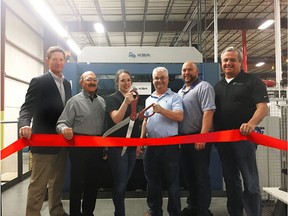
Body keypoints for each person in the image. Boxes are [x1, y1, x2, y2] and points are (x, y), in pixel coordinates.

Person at [214, 47, 269, 216]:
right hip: (223, 141)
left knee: (251, 182)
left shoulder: (252, 81)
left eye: (232, 60)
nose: (228, 63)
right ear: (221, 64)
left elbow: (262, 107)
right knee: (231, 182)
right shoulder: (218, 86)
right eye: (225, 60)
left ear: (240, 62)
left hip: (244, 140)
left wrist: (251, 124)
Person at [18, 46, 71, 216]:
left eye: (61, 59)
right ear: (47, 60)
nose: (58, 62)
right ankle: (32, 213)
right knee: (38, 184)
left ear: (64, 62)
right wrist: (24, 124)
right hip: (43, 142)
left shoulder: (67, 84)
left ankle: (56, 210)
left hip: (62, 141)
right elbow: (27, 108)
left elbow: (68, 111)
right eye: (54, 59)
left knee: (57, 182)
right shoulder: (39, 81)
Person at [56, 71, 106, 216]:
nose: (92, 82)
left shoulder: (102, 102)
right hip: (79, 149)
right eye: (88, 79)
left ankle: (88, 212)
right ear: (81, 82)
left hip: (97, 148)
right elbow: (61, 122)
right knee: (77, 183)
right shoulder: (74, 101)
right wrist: (64, 129)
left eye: (94, 80)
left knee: (93, 183)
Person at [141, 67, 184, 216]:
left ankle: (174, 213)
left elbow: (179, 116)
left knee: (172, 183)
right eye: (156, 78)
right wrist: (141, 140)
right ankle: (154, 211)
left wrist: (162, 110)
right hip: (151, 145)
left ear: (168, 79)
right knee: (152, 182)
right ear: (152, 80)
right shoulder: (149, 99)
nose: (159, 81)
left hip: (169, 146)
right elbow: (145, 121)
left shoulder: (175, 97)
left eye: (162, 78)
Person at [178, 61, 215, 216]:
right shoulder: (180, 92)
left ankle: (203, 209)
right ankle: (193, 205)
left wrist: (203, 136)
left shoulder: (204, 87)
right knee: (189, 176)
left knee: (201, 176)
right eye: (184, 70)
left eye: (190, 70)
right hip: (184, 140)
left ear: (197, 71)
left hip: (199, 138)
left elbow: (208, 112)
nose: (187, 72)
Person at [105, 69, 142, 216]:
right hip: (117, 148)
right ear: (117, 83)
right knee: (120, 184)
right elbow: (116, 119)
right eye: (122, 80)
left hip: (132, 147)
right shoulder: (111, 99)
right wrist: (126, 102)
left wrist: (139, 143)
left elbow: (135, 122)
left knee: (124, 183)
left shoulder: (134, 99)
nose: (126, 83)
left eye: (128, 80)